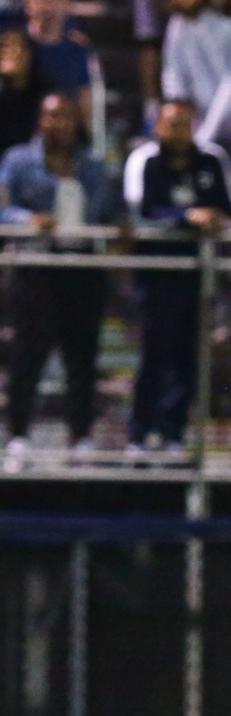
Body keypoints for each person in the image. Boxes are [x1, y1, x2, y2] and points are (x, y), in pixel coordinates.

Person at [124, 98, 231, 453]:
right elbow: (142, 210)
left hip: (199, 276)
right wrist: (186, 218)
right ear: (158, 126)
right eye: (171, 123)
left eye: (184, 123)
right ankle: (140, 433)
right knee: (153, 356)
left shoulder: (210, 160)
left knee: (187, 357)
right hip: (157, 276)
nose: (178, 131)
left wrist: (214, 217)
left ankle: (173, 432)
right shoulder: (146, 162)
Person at [0, 92, 115, 463]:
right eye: (51, 116)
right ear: (40, 120)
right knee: (28, 355)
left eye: (65, 116)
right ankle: (18, 435)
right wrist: (28, 222)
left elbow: (113, 212)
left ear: (76, 122)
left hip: (82, 268)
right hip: (36, 266)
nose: (58, 124)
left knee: (81, 356)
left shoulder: (94, 167)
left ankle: (80, 436)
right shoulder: (18, 161)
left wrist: (119, 229)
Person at [161, 0, 231, 147]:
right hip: (195, 124)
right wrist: (180, 115)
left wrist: (206, 135)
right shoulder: (179, 23)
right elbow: (173, 72)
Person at [0, 27, 47, 154]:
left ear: (30, 54)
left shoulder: (47, 93)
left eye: (17, 47)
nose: (10, 53)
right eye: (4, 47)